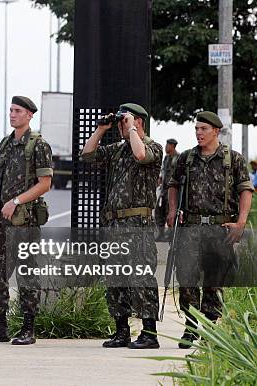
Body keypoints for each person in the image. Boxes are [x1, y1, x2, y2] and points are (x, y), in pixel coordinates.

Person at [167, 111, 254, 349]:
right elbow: (173, 185)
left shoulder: (232, 159)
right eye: (196, 129)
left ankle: (209, 329)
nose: (199, 133)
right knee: (187, 280)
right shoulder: (186, 159)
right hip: (191, 228)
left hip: (220, 228)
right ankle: (191, 325)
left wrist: (241, 222)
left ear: (216, 131)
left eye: (203, 129)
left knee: (215, 283)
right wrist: (172, 210)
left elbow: (245, 190)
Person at [0, 96, 53, 346]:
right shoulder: (6, 143)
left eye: (17, 111)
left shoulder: (39, 145)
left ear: (29, 115)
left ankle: (28, 328)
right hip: (0, 221)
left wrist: (15, 201)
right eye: (10, 110)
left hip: (25, 222)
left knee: (27, 275)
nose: (12, 114)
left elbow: (45, 184)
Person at [81, 103, 162, 349]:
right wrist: (101, 129)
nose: (122, 127)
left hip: (138, 224)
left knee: (141, 277)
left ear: (140, 122)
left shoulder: (153, 147)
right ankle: (121, 331)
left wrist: (132, 129)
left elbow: (140, 155)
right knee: (115, 278)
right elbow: (87, 155)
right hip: (114, 224)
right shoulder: (116, 150)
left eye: (126, 121)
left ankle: (149, 333)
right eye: (121, 122)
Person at [155, 139, 179, 240]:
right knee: (159, 211)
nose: (166, 147)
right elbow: (163, 172)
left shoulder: (178, 157)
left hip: (172, 190)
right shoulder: (166, 158)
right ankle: (161, 234)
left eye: (168, 145)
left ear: (173, 146)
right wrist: (160, 180)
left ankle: (170, 235)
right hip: (164, 190)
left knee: (170, 212)